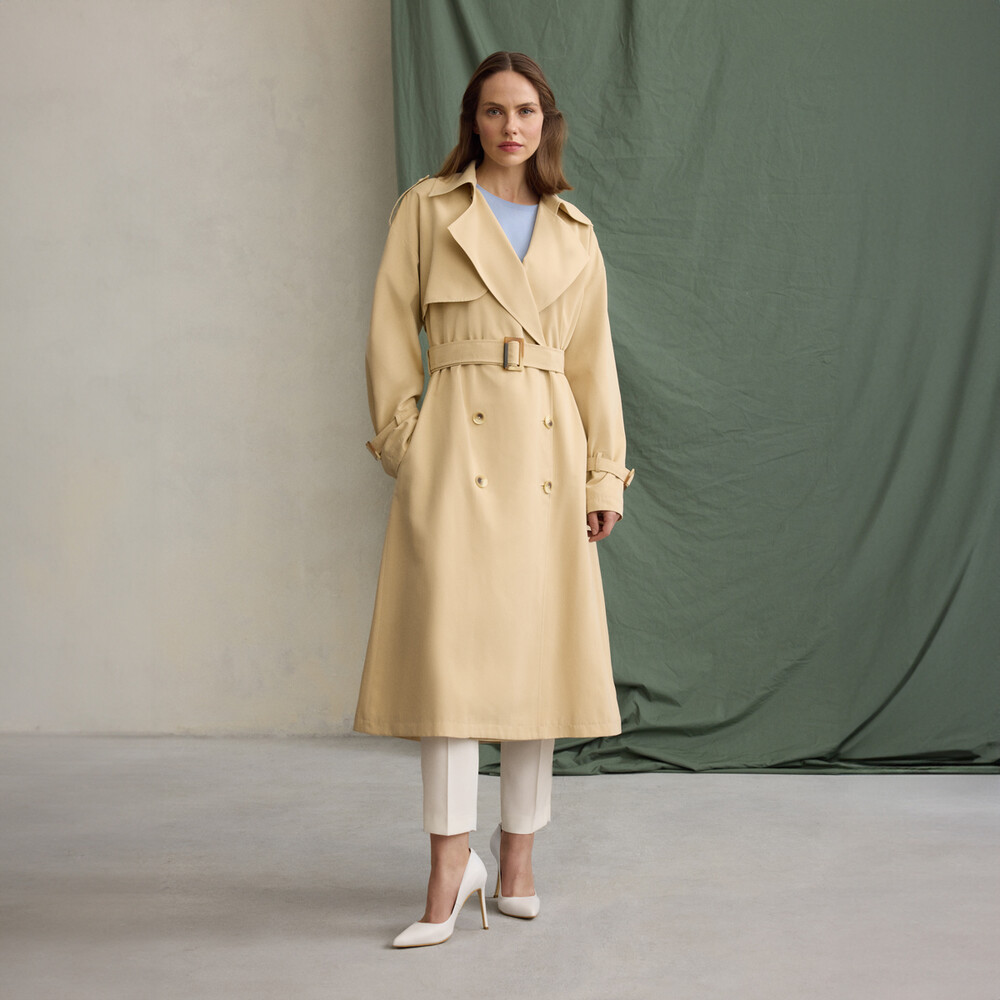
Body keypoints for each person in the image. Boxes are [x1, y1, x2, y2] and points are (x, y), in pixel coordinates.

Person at [354, 51, 634, 949]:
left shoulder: (574, 232)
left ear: (547, 123)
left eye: (526, 111)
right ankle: (448, 866)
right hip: (457, 450)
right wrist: (409, 443)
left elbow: (594, 364)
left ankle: (516, 862)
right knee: (450, 663)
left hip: (548, 451)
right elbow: (389, 333)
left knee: (533, 659)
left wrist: (602, 474)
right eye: (492, 110)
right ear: (471, 121)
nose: (510, 126)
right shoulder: (429, 209)